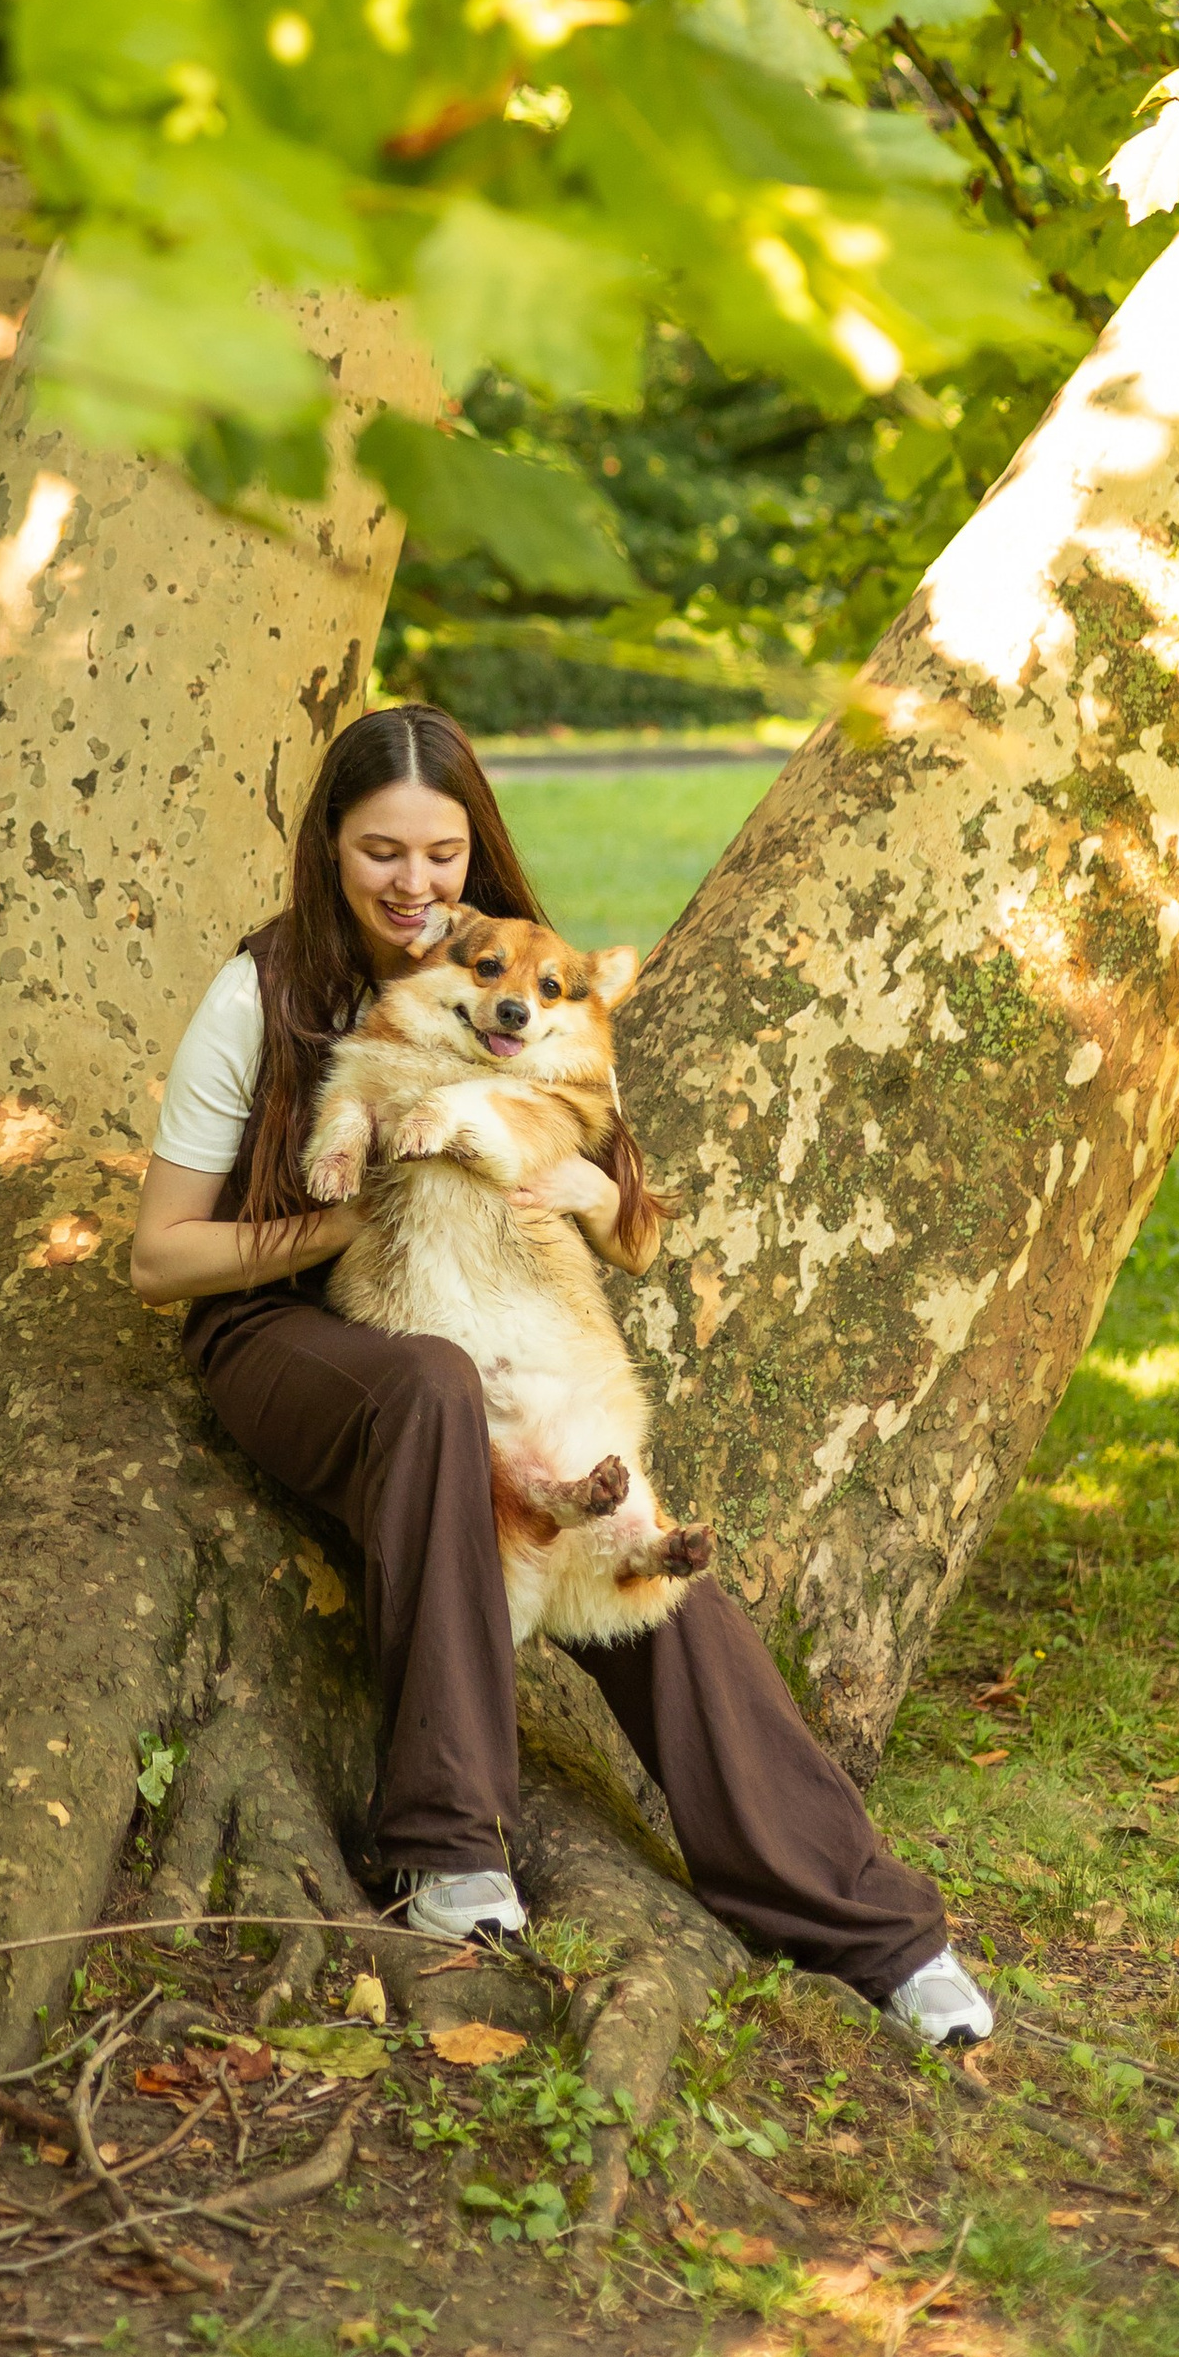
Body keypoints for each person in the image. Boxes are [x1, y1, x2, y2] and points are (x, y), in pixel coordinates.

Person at [130, 701, 992, 2050]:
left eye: (440, 854)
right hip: (290, 1324)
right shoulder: (264, 992)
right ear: (328, 850)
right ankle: (444, 1852)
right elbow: (158, 1259)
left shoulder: (523, 986)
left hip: (488, 1319)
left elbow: (635, 1229)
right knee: (428, 1393)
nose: (414, 887)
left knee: (640, 1555)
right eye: (380, 854)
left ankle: (872, 1929)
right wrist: (344, 1222)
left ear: (475, 853)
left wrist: (574, 1176)